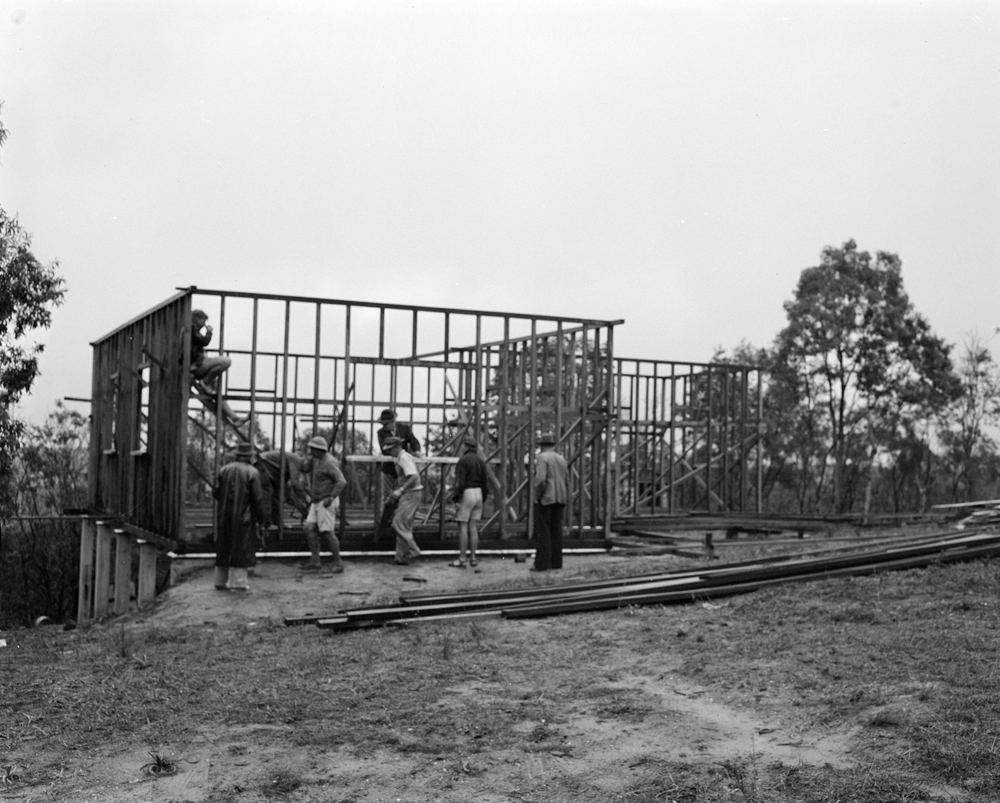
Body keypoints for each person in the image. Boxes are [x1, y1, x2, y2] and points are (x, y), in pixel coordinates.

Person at [213, 441, 267, 591]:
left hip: (224, 515)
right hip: (244, 517)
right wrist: (262, 518)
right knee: (240, 548)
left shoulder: (224, 470)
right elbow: (257, 498)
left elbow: (216, 492)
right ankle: (238, 583)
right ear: (249, 456)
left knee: (224, 545)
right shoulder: (252, 472)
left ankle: (219, 580)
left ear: (237, 455)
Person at [301, 435, 348, 573]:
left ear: (318, 450)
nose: (311, 451)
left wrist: (331, 497)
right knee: (309, 528)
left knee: (327, 532)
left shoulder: (329, 462)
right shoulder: (318, 460)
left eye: (312, 449)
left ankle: (338, 563)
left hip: (326, 501)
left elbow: (342, 481)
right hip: (317, 501)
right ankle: (315, 561)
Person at [190, 309, 239, 423]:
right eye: (203, 321)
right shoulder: (192, 327)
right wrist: (209, 332)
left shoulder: (190, 329)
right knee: (225, 361)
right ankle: (206, 382)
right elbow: (203, 341)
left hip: (197, 365)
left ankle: (234, 418)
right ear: (198, 319)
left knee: (217, 393)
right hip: (198, 365)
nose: (204, 324)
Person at [381, 435, 423, 566]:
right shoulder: (399, 458)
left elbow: (414, 477)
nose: (390, 452)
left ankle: (414, 550)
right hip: (408, 493)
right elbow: (403, 479)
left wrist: (401, 490)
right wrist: (397, 492)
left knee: (398, 523)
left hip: (412, 493)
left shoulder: (404, 458)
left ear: (398, 447)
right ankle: (401, 557)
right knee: (404, 525)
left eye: (391, 449)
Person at [448, 434, 488, 568]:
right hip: (479, 493)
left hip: (468, 493)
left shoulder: (463, 460)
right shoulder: (480, 461)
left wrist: (456, 498)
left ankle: (462, 557)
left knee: (463, 526)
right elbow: (485, 482)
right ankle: (474, 558)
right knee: (473, 527)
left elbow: (460, 482)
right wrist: (484, 498)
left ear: (466, 447)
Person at [531, 431, 568, 572]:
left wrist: (537, 497)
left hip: (546, 499)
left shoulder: (542, 458)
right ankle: (556, 562)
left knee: (543, 532)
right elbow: (567, 480)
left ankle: (542, 564)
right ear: (553, 445)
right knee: (556, 531)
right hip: (559, 500)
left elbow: (540, 480)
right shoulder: (561, 459)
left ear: (542, 446)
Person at [256, 449, 310, 530]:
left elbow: (289, 491)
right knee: (268, 493)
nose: (306, 472)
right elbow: (295, 483)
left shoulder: (290, 466)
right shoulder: (297, 461)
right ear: (306, 464)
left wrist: (303, 510)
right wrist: (305, 497)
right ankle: (266, 524)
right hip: (262, 463)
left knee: (276, 496)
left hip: (269, 468)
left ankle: (278, 523)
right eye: (308, 469)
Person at [376, 409, 420, 501]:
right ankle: (386, 514)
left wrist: (417, 450)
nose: (384, 427)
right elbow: (384, 449)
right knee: (387, 496)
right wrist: (395, 454)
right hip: (389, 469)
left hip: (403, 469)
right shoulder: (381, 433)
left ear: (393, 422)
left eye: (385, 424)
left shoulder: (404, 429)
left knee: (400, 495)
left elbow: (413, 441)